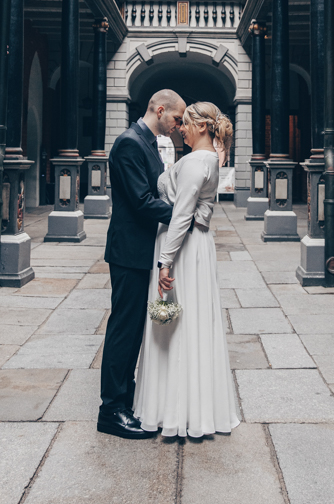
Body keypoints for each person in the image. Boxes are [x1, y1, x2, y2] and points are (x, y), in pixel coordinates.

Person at [133, 101, 240, 438]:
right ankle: (190, 406)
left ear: (203, 127)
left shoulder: (197, 161)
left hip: (184, 249)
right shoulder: (208, 159)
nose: (182, 128)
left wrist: (165, 260)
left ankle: (175, 410)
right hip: (195, 246)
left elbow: (181, 215)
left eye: (187, 124)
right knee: (186, 322)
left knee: (174, 324)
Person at [97, 89, 186, 439]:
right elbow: (142, 201)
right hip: (129, 251)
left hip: (140, 249)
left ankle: (126, 396)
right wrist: (185, 215)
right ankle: (111, 410)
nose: (178, 126)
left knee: (134, 327)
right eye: (176, 119)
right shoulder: (129, 143)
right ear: (160, 109)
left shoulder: (148, 142)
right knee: (124, 327)